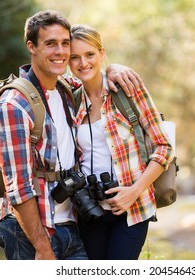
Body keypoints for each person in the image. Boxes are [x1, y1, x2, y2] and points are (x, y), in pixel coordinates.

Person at [0, 10, 144, 260]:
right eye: (50, 43)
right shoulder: (13, 105)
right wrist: (42, 247)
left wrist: (113, 68)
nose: (60, 52)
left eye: (65, 43)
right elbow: (18, 188)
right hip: (30, 232)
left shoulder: (65, 90)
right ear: (32, 47)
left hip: (71, 225)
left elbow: (92, 76)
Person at [69, 24, 173, 259]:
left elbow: (164, 147)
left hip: (133, 209)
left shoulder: (127, 89)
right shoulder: (71, 97)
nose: (83, 63)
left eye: (89, 54)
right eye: (75, 57)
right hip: (90, 211)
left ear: (102, 53)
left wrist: (134, 191)